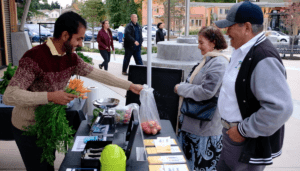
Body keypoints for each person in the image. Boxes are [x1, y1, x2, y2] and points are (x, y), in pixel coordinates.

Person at [2, 11, 143, 171]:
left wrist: (130, 86)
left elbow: (99, 74)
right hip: (27, 127)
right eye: (79, 38)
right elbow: (10, 95)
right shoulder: (33, 58)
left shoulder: (71, 58)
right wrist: (50, 96)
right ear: (64, 35)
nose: (81, 43)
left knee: (49, 164)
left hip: (49, 124)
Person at [214, 1, 293, 171]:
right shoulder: (243, 50)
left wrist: (242, 130)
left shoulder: (263, 56)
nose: (226, 32)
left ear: (247, 28)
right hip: (232, 137)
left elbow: (281, 108)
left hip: (245, 142)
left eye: (230, 26)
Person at [174, 26, 229, 171]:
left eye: (201, 42)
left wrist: (181, 88)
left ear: (213, 42)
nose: (198, 46)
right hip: (195, 126)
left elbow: (207, 91)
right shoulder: (210, 60)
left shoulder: (219, 63)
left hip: (204, 131)